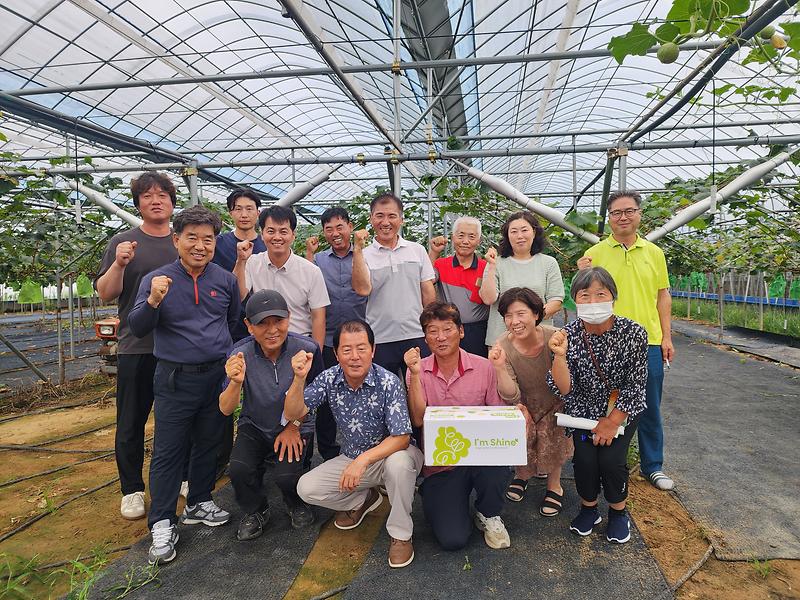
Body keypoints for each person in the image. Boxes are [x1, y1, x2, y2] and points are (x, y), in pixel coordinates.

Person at [128, 205, 240, 564]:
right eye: (191, 237)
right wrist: (153, 301)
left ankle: (199, 501)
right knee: (168, 451)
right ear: (176, 240)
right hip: (175, 377)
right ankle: (162, 520)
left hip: (216, 375)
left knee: (209, 441)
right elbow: (138, 326)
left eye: (207, 239)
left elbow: (232, 320)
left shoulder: (224, 280)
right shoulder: (157, 280)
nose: (200, 246)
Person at [284, 320, 423, 569]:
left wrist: (363, 460)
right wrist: (298, 379)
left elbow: (401, 437)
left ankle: (401, 534)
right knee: (306, 488)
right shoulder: (329, 378)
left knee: (399, 465)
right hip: (353, 457)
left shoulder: (388, 381)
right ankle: (363, 500)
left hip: (393, 454)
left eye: (361, 348)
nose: (355, 357)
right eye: (346, 350)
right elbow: (295, 412)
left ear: (373, 349)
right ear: (336, 353)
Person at [578, 190, 675, 492]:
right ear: (608, 218)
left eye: (629, 211)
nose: (623, 217)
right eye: (616, 213)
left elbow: (663, 296)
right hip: (608, 341)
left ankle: (652, 466)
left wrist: (666, 336)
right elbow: (584, 296)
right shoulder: (595, 253)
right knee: (605, 401)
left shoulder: (654, 253)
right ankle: (610, 457)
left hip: (648, 341)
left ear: (638, 214)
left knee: (648, 404)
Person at [95, 172, 178, 521]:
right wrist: (119, 263)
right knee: (130, 422)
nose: (155, 200)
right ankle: (131, 489)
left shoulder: (184, 240)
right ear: (138, 204)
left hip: (177, 348)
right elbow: (105, 292)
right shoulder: (123, 243)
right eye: (147, 196)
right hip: (136, 346)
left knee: (176, 420)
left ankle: (183, 477)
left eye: (162, 194)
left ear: (173, 202)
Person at [547, 267, 647, 544]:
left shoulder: (634, 333)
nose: (593, 302)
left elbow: (636, 384)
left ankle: (618, 512)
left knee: (612, 461)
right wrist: (559, 357)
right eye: (584, 295)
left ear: (613, 297)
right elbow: (562, 388)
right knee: (585, 461)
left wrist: (612, 421)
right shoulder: (567, 335)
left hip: (621, 409)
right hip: (581, 413)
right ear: (575, 300)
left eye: (600, 294)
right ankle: (589, 509)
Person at [404, 302, 511, 551]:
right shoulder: (417, 371)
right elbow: (418, 419)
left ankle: (488, 513)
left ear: (461, 331)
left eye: (448, 329)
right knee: (453, 539)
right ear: (425, 337)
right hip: (442, 464)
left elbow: (497, 416)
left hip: (479, 456)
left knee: (499, 466)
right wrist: (416, 374)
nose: (440, 337)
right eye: (432, 331)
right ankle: (438, 497)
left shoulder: (484, 367)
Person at [219, 290, 323, 541]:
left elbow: (317, 397)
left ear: (289, 317)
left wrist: (294, 426)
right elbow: (225, 408)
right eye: (262, 323)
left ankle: (295, 502)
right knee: (239, 470)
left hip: (295, 424)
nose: (272, 329)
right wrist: (235, 383)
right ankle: (256, 510)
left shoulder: (307, 349)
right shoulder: (239, 354)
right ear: (249, 326)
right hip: (254, 424)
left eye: (278, 321)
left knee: (287, 476)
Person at [489, 287, 572, 513]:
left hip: (555, 401)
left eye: (520, 313)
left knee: (555, 427)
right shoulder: (502, 345)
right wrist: (498, 368)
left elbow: (565, 385)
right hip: (524, 402)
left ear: (536, 314)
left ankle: (554, 484)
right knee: (520, 420)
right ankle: (522, 474)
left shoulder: (554, 337)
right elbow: (511, 394)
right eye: (508, 315)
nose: (514, 321)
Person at [304, 207, 369, 460]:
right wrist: (309, 253)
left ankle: (366, 448)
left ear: (350, 227)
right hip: (329, 338)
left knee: (365, 393)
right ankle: (329, 452)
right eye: (329, 229)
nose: (335, 233)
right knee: (327, 395)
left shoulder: (364, 255)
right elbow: (306, 286)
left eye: (339, 227)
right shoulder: (319, 260)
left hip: (360, 338)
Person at [211, 189, 267, 479]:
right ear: (230, 213)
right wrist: (240, 261)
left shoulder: (270, 239)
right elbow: (223, 286)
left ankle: (266, 450)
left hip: (267, 329)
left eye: (249, 208)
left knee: (266, 389)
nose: (244, 214)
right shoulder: (219, 245)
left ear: (258, 212)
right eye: (238, 209)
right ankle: (223, 456)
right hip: (232, 328)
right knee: (229, 389)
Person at [352, 192, 436, 377]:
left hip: (415, 334)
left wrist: (429, 328)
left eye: (392, 216)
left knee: (420, 387)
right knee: (382, 392)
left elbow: (428, 293)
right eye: (379, 216)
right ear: (371, 219)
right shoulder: (364, 255)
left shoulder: (417, 250)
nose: (385, 222)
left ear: (401, 219)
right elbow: (362, 289)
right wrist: (357, 249)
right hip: (380, 338)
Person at [236, 205, 330, 349]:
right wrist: (241, 261)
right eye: (271, 231)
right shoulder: (252, 263)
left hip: (300, 344)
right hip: (264, 344)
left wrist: (316, 354)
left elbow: (318, 317)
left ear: (293, 235)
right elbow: (239, 294)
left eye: (283, 231)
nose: (277, 237)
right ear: (262, 234)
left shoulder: (311, 271)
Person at [479, 211, 564, 347]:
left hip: (539, 339)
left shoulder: (549, 263)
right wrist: (492, 266)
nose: (520, 236)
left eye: (524, 230)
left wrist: (528, 322)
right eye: (513, 232)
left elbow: (556, 301)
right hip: (502, 339)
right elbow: (488, 299)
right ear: (507, 235)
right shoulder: (496, 263)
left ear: (534, 232)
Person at [427, 216, 490, 357]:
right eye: (461, 236)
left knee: (478, 370)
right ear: (453, 237)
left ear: (479, 241)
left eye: (472, 237)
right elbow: (427, 279)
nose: (465, 241)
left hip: (479, 331)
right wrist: (434, 252)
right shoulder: (441, 264)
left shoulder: (486, 267)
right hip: (448, 328)